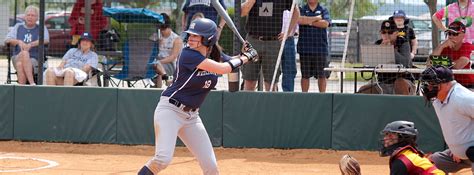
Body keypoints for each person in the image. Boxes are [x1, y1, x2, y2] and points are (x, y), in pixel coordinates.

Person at [137, 18, 257, 175]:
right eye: (191, 35)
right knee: (162, 159)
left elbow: (231, 61)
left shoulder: (214, 54)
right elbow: (223, 69)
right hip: (170, 110)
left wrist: (244, 54)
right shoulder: (188, 54)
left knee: (211, 167)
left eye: (196, 36)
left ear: (208, 39)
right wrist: (246, 57)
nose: (191, 38)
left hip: (191, 117)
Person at [419, 66, 474, 174]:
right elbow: (453, 128)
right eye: (428, 84)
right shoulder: (438, 101)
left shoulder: (463, 98)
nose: (429, 88)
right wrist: (456, 150)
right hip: (460, 155)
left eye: (433, 84)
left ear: (448, 83)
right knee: (430, 164)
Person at [241, 0, 299, 91]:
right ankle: (248, 104)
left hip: (273, 42)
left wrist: (287, 32)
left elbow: (296, 12)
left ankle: (271, 105)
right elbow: (242, 12)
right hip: (252, 41)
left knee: (271, 84)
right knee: (249, 81)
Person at [357, 20, 415, 95]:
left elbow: (405, 63)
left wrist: (391, 50)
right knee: (363, 90)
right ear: (380, 33)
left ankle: (403, 106)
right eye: (384, 32)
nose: (386, 35)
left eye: (390, 32)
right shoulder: (378, 44)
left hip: (403, 80)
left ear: (396, 33)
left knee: (399, 84)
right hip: (382, 82)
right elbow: (369, 64)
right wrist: (379, 50)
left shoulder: (403, 42)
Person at [4, 5, 50, 85]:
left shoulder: (41, 28)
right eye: (28, 15)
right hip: (17, 57)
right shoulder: (18, 26)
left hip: (34, 59)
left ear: (37, 18)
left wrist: (31, 44)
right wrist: (19, 42)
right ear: (25, 17)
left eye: (33, 15)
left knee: (20, 65)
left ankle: (22, 89)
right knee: (24, 54)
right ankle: (32, 83)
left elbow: (46, 40)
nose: (30, 17)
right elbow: (7, 39)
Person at [380, 120, 445, 175]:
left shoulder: (402, 160)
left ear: (403, 138)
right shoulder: (408, 154)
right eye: (386, 135)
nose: (385, 138)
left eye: (390, 135)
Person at [297, 0, 330, 92]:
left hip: (320, 49)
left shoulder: (324, 10)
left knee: (322, 75)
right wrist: (316, 18)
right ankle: (304, 97)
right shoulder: (301, 9)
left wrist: (308, 21)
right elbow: (299, 20)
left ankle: (322, 96)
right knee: (305, 75)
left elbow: (325, 23)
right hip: (305, 49)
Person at [430, 21, 474, 88]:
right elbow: (429, 63)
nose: (451, 36)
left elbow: (459, 65)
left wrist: (439, 62)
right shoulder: (445, 47)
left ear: (463, 35)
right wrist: (441, 46)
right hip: (450, 86)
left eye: (454, 34)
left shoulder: (468, 46)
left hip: (469, 86)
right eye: (449, 33)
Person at [150, 13, 183, 88]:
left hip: (170, 64)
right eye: (160, 29)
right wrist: (156, 44)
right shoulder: (155, 36)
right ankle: (165, 79)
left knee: (157, 70)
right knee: (154, 66)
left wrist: (159, 62)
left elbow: (173, 57)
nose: (161, 31)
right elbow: (148, 52)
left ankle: (157, 90)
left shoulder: (176, 39)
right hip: (155, 62)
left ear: (169, 27)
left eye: (163, 29)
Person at [280, 9, 298, 92]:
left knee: (290, 71)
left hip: (289, 39)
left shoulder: (293, 4)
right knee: (271, 72)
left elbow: (298, 16)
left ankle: (288, 96)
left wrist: (287, 33)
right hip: (274, 39)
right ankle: (272, 97)